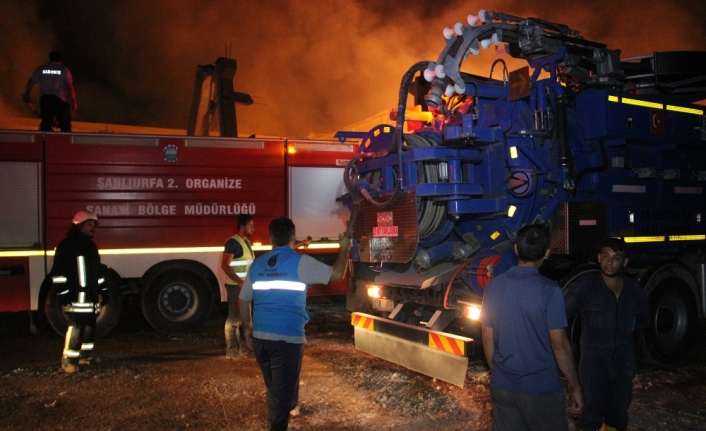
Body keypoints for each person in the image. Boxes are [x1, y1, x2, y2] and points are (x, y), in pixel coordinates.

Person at [239, 217, 350, 431]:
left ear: (270, 238)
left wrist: (248, 328)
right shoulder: (301, 262)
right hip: (287, 340)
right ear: (293, 236)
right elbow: (337, 274)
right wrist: (344, 249)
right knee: (279, 396)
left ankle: (288, 404)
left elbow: (243, 299)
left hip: (261, 338)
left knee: (276, 386)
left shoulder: (257, 263)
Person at [480, 224, 583, 431]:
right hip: (540, 390)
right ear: (547, 252)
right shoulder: (549, 290)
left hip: (502, 388)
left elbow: (487, 336)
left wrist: (497, 371)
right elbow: (559, 345)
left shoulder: (493, 286)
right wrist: (576, 386)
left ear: (516, 249)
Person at [564, 238, 650, 431]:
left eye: (616, 258)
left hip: (623, 365)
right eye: (605, 256)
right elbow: (559, 316)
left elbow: (643, 322)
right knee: (590, 416)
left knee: (617, 415)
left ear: (625, 262)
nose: (609, 262)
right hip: (593, 366)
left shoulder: (634, 290)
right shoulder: (586, 286)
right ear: (598, 258)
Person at [50, 210, 107, 373]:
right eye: (89, 224)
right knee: (76, 327)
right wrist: (62, 293)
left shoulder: (90, 246)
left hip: (90, 297)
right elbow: (59, 273)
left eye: (93, 225)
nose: (92, 228)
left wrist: (103, 289)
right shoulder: (66, 246)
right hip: (76, 298)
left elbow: (97, 272)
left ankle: (84, 357)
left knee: (90, 327)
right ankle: (68, 361)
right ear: (79, 226)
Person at [220, 214, 255, 359]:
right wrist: (239, 281)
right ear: (242, 226)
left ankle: (242, 349)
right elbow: (225, 265)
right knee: (233, 319)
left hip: (244, 287)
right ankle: (231, 351)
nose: (253, 228)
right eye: (251, 225)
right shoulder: (233, 242)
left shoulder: (245, 242)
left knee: (242, 318)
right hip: (236, 287)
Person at [23, 51, 78, 132]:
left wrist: (27, 95)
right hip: (60, 101)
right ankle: (65, 142)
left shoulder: (42, 69)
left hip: (46, 100)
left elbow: (31, 82)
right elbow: (70, 87)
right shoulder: (64, 70)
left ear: (49, 59)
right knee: (65, 125)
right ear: (61, 60)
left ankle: (45, 141)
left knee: (46, 124)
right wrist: (74, 102)